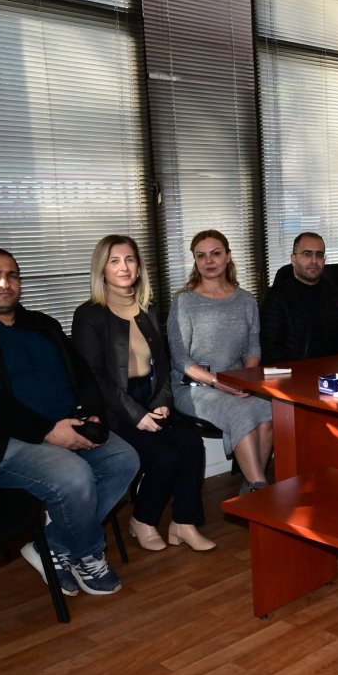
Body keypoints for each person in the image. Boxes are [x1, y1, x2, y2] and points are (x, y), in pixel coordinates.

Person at [0, 248, 139, 596]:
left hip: (65, 423)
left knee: (124, 459)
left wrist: (91, 413)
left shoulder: (43, 325)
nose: (4, 283)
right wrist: (47, 431)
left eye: (12, 275)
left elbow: (82, 374)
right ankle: (89, 552)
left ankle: (52, 545)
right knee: (73, 476)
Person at [71, 235, 214, 553]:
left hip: (149, 396)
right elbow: (95, 377)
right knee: (164, 458)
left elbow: (162, 363)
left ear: (139, 266)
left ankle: (184, 523)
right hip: (112, 407)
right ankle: (143, 520)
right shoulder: (89, 315)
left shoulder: (148, 307)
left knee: (191, 442)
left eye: (130, 259)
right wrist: (136, 415)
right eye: (114, 261)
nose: (124, 267)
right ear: (102, 269)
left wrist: (162, 401)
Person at [167, 230, 274, 494]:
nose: (209, 261)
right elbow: (180, 359)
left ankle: (252, 486)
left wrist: (247, 381)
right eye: (201, 256)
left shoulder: (246, 300)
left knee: (269, 408)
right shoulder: (185, 301)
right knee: (240, 412)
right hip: (194, 387)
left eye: (215, 253)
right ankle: (260, 489)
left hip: (236, 383)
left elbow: (253, 347)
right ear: (195, 261)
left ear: (228, 256)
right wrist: (219, 383)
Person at [260, 231, 338, 364]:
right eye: (307, 254)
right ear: (293, 259)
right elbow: (270, 350)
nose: (314, 261)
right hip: (293, 373)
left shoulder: (334, 295)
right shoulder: (275, 297)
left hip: (332, 372)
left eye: (319, 255)